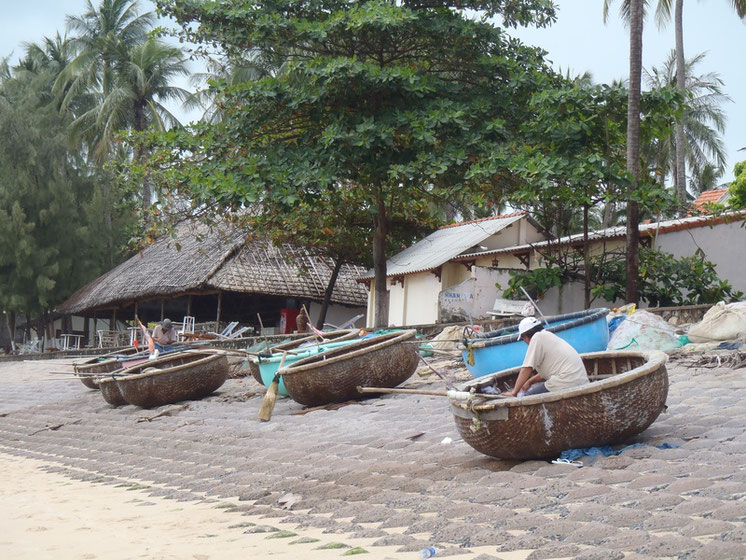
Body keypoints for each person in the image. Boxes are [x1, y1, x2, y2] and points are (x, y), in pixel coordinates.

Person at [501, 316, 589, 397]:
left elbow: (526, 369)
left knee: (526, 397)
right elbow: (548, 372)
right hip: (579, 380)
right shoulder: (547, 335)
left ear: (526, 337)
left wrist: (514, 392)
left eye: (523, 339)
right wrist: (530, 381)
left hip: (565, 382)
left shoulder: (536, 338)